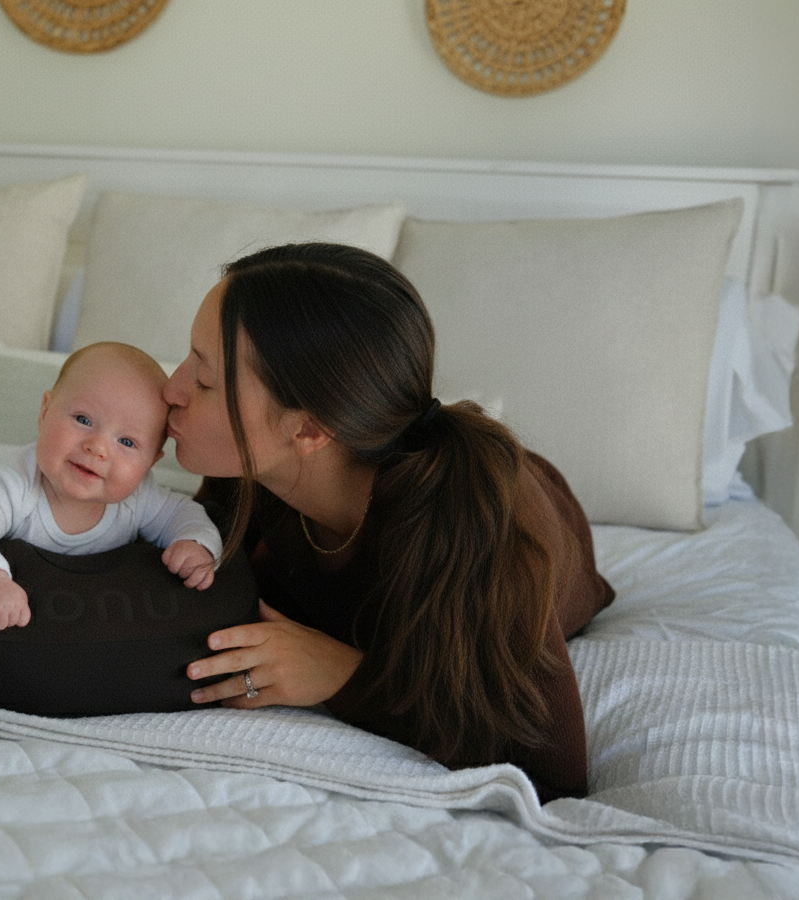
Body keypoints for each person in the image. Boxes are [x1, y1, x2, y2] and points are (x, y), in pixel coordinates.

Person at [163, 243, 615, 801]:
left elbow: (553, 772)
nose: (171, 390)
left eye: (204, 380)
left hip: (543, 524)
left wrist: (345, 677)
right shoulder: (253, 474)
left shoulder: (481, 537)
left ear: (308, 430)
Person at [0, 341, 222, 630]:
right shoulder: (18, 483)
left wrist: (196, 543)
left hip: (94, 622)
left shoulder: (138, 497)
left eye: (126, 442)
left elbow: (184, 514)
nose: (97, 448)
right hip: (26, 623)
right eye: (83, 420)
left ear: (150, 463)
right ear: (45, 411)